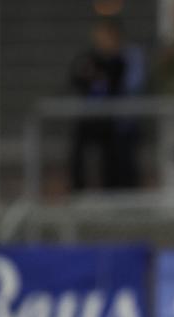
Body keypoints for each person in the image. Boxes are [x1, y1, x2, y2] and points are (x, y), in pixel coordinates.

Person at [68, 17, 141, 190]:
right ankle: (79, 191)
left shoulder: (124, 59)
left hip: (116, 122)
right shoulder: (90, 57)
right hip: (93, 119)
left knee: (118, 162)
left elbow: (121, 84)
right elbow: (78, 78)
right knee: (80, 155)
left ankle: (120, 193)